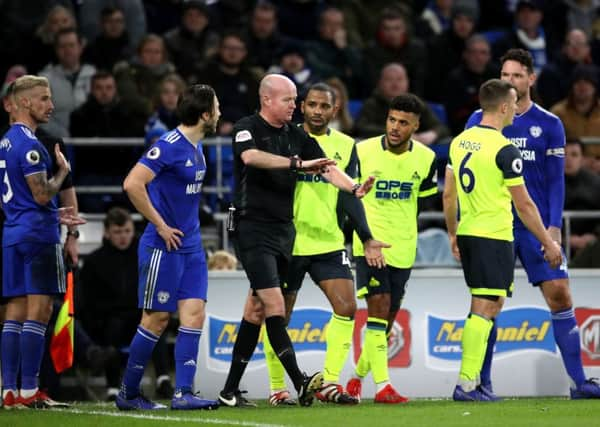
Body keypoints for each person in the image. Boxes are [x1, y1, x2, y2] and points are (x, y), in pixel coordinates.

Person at [217, 74, 372, 408]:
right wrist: (297, 164)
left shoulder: (295, 135)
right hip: (252, 228)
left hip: (283, 231)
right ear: (268, 100)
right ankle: (300, 381)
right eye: (289, 100)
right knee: (274, 306)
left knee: (256, 310)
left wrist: (354, 188)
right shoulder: (247, 127)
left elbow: (327, 168)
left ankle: (229, 391)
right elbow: (251, 158)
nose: (295, 106)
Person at [466, 49, 600, 400]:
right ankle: (481, 383)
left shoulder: (550, 124)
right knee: (487, 304)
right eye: (505, 75)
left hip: (534, 227)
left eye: (516, 76)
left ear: (531, 79)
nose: (509, 81)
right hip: (494, 226)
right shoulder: (477, 121)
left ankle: (579, 383)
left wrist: (554, 227)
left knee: (560, 295)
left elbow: (557, 181)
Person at [261, 83, 388, 406]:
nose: (318, 110)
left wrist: (367, 236)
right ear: (302, 107)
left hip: (328, 241)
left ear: (335, 109)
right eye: (312, 104)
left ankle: (329, 382)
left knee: (346, 306)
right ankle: (278, 388)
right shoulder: (283, 138)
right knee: (279, 316)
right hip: (288, 243)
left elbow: (350, 196)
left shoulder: (346, 145)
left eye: (324, 106)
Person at [445, 78, 563, 401]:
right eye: (513, 104)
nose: (515, 109)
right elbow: (523, 204)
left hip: (470, 231)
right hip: (492, 235)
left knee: (489, 303)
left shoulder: (460, 142)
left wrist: (453, 231)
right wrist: (549, 242)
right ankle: (467, 384)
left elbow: (448, 195)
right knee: (484, 306)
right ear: (502, 107)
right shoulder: (504, 149)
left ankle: (471, 383)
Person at [115, 84, 221, 411]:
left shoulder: (196, 146)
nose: (220, 113)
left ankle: (183, 393)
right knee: (157, 318)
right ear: (204, 114)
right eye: (216, 108)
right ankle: (128, 394)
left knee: (194, 313)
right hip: (163, 245)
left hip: (190, 246)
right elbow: (132, 183)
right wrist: (160, 224)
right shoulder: (169, 145)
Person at [346, 93, 438, 404]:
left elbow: (420, 203)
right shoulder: (362, 151)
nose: (395, 127)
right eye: (392, 120)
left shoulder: (426, 159)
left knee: (385, 320)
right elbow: (348, 197)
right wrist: (364, 236)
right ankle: (383, 386)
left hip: (403, 246)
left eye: (403, 123)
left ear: (416, 126)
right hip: (370, 244)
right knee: (378, 307)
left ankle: (357, 378)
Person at [0, 75, 72, 408]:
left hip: (13, 232)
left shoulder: (5, 142)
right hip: (37, 237)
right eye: (44, 98)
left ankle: (9, 392)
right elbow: (42, 194)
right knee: (39, 312)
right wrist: (61, 171)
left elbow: (21, 198)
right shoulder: (31, 145)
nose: (51, 105)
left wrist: (55, 215)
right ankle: (30, 391)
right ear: (25, 102)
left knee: (14, 312)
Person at [78, 207, 174, 401]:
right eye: (117, 232)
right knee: (114, 326)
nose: (123, 237)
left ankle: (163, 380)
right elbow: (87, 301)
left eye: (127, 231)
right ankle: (113, 387)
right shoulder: (94, 262)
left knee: (155, 322)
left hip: (140, 315)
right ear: (107, 232)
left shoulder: (146, 255)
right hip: (108, 321)